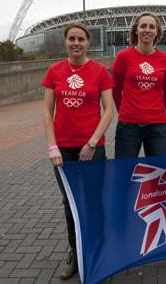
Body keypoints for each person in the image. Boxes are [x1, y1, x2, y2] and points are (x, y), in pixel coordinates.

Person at [42, 22, 114, 280]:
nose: (76, 43)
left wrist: (93, 142)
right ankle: (75, 251)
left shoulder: (99, 72)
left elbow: (109, 111)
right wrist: (52, 145)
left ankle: (97, 250)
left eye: (80, 39)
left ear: (88, 42)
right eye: (71, 39)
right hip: (63, 150)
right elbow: (47, 111)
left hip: (92, 148)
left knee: (93, 200)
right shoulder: (55, 71)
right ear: (65, 42)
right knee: (69, 202)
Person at [111, 12, 166, 158]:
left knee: (157, 172)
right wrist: (126, 111)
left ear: (157, 32)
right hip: (128, 125)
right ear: (136, 30)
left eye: (152, 27)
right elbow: (116, 89)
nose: (147, 30)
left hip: (157, 126)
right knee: (124, 170)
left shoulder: (165, 59)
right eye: (143, 26)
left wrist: (154, 111)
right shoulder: (123, 56)